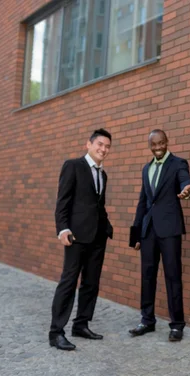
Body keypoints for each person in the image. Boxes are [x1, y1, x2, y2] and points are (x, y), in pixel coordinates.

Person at [49, 129, 114, 351]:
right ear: (89, 144)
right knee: (69, 281)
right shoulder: (73, 166)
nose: (103, 149)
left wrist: (107, 227)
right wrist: (63, 229)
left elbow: (98, 204)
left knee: (91, 283)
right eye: (100, 144)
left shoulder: (103, 174)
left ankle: (81, 324)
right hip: (75, 236)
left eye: (107, 146)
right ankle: (56, 332)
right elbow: (62, 202)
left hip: (97, 237)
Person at [128, 129, 190, 342]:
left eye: (161, 143)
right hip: (148, 231)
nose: (158, 148)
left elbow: (185, 181)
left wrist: (187, 190)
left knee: (173, 277)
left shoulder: (178, 164)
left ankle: (177, 325)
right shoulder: (146, 168)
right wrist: (136, 235)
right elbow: (143, 202)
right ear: (149, 145)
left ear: (167, 142)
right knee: (147, 276)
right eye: (154, 145)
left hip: (169, 230)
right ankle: (146, 320)